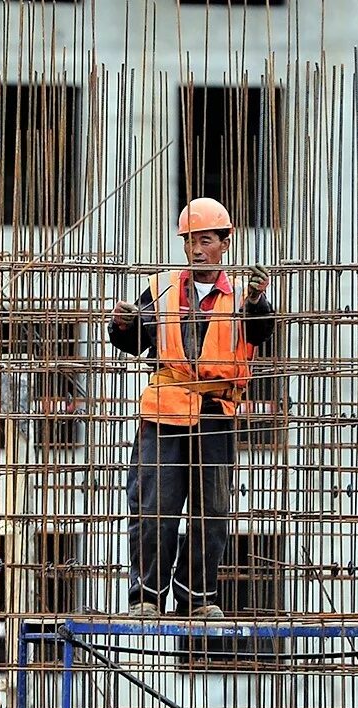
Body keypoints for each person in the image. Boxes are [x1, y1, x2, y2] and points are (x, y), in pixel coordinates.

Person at [108, 196, 276, 619]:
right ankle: (146, 596)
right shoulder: (161, 290)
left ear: (225, 243)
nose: (197, 249)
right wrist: (122, 323)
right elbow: (134, 340)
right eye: (190, 242)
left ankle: (196, 597)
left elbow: (261, 331)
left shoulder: (241, 296)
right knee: (152, 506)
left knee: (213, 510)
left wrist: (257, 301)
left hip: (215, 412)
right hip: (164, 412)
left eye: (205, 240)